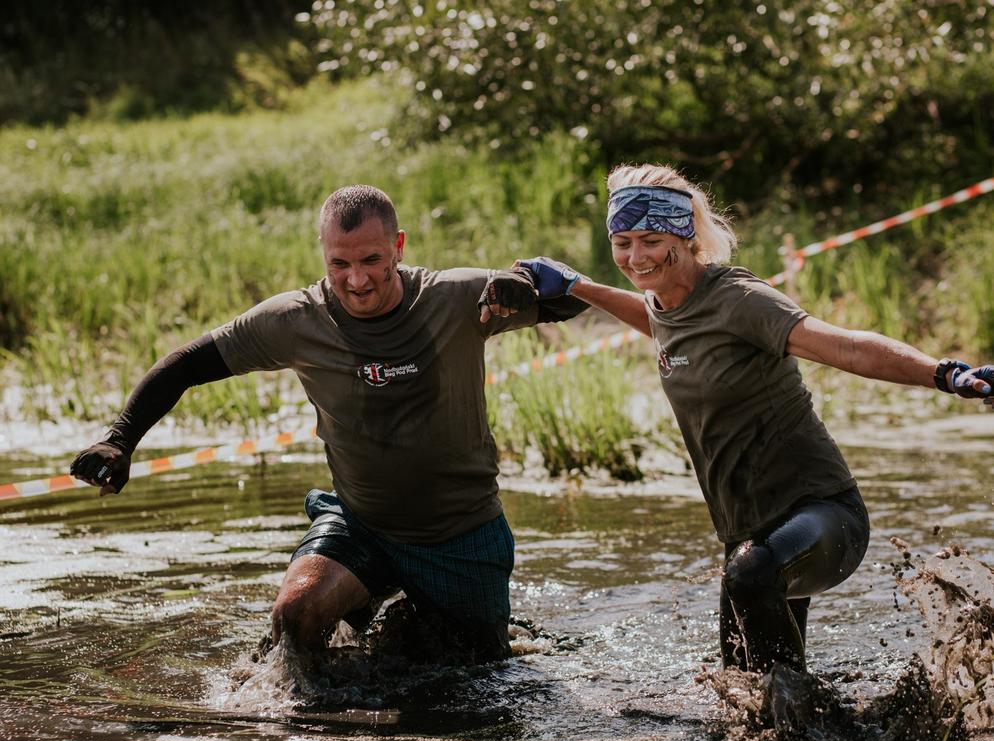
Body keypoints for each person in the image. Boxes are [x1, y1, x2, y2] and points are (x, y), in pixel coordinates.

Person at [70, 184, 586, 663]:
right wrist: (120, 440)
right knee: (294, 620)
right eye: (339, 263)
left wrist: (523, 284)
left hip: (460, 534)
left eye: (371, 260)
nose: (356, 280)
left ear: (399, 246)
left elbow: (573, 296)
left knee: (477, 669)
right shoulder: (296, 320)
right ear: (322, 252)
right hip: (363, 524)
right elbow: (187, 363)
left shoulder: (456, 297)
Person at [516, 163, 994, 675]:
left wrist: (946, 374)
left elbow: (849, 348)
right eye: (623, 241)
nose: (636, 258)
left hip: (823, 518)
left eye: (651, 240)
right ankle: (806, 734)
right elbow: (654, 319)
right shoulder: (669, 304)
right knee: (743, 682)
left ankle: (803, 734)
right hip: (750, 535)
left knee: (750, 581)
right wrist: (578, 285)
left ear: (687, 233)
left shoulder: (740, 299)